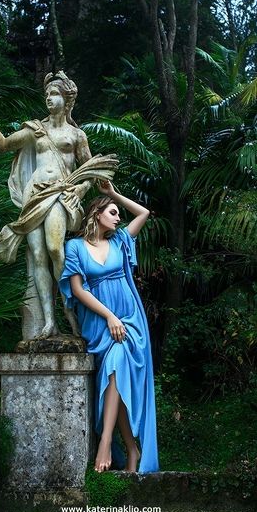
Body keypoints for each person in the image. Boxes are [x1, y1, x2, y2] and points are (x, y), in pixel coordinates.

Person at [0, 72, 117, 340]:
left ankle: (68, 308)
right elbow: (3, 145)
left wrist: (80, 188)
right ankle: (48, 321)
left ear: (67, 99)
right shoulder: (35, 130)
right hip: (34, 196)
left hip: (60, 195)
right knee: (38, 256)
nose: (50, 100)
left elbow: (91, 172)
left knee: (55, 249)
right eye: (48, 95)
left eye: (55, 95)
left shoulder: (76, 135)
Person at [59, 181, 158, 473]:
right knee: (117, 382)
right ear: (96, 213)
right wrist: (109, 317)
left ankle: (105, 443)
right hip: (100, 323)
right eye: (112, 211)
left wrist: (113, 194)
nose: (118, 217)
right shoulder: (75, 246)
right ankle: (131, 449)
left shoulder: (120, 241)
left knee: (117, 366)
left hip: (129, 321)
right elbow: (77, 290)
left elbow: (143, 213)